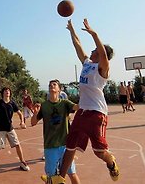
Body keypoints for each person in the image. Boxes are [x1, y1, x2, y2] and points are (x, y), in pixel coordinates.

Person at [46, 19, 120, 184]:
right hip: (82, 112)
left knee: (99, 152)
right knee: (70, 147)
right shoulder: (87, 63)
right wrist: (72, 30)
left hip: (97, 113)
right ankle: (60, 179)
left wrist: (94, 34)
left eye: (96, 50)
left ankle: (111, 162)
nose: (93, 50)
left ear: (102, 55)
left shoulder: (103, 69)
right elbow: (77, 45)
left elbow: (102, 53)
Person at [31, 79, 80, 184]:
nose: (51, 86)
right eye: (50, 85)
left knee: (72, 173)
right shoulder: (44, 106)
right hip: (50, 145)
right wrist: (35, 113)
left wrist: (87, 94)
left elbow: (77, 107)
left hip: (65, 146)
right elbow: (33, 122)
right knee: (51, 178)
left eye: (54, 85)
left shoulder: (65, 103)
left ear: (59, 89)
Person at [0, 87, 30, 171]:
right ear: (2, 93)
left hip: (10, 128)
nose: (7, 92)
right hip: (0, 129)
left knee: (17, 144)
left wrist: (22, 122)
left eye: (8, 91)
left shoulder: (12, 103)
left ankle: (22, 162)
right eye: (5, 91)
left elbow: (20, 113)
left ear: (10, 93)